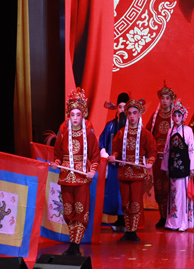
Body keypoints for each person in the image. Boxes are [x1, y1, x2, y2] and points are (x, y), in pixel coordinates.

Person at [53, 88, 100, 256]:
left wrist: (92, 171)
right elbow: (57, 154)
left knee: (80, 209)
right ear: (69, 116)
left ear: (83, 116)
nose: (74, 118)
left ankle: (75, 245)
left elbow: (95, 156)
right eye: (72, 115)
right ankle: (72, 243)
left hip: (81, 177)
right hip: (66, 177)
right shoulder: (63, 135)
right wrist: (56, 163)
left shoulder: (89, 135)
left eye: (78, 115)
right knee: (68, 211)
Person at [109, 98, 157, 242]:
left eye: (134, 113)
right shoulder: (121, 133)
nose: (131, 116)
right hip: (124, 172)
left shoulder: (145, 133)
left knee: (135, 202)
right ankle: (128, 230)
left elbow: (152, 152)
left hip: (138, 172)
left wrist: (150, 162)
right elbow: (116, 150)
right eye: (129, 113)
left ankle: (132, 231)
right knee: (125, 203)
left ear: (139, 114)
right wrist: (113, 156)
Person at [161, 100, 194, 231]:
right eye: (174, 115)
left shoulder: (188, 131)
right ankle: (172, 222)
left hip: (184, 168)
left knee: (182, 195)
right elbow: (167, 150)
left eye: (179, 115)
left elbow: (192, 149)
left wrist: (193, 167)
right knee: (173, 195)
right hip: (173, 168)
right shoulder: (170, 131)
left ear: (183, 117)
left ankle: (183, 222)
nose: (176, 118)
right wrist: (165, 167)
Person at [147, 82, 176, 228]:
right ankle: (163, 216)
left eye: (167, 98)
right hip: (158, 156)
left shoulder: (175, 116)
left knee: (172, 186)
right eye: (162, 98)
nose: (164, 101)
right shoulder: (155, 116)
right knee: (160, 187)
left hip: (172, 156)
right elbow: (148, 134)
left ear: (171, 100)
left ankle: (173, 216)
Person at [99, 92, 129, 227]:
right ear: (116, 108)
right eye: (120, 107)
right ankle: (117, 218)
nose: (122, 110)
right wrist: (105, 154)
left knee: (125, 192)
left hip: (126, 165)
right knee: (114, 192)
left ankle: (126, 219)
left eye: (124, 107)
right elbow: (102, 142)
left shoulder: (132, 126)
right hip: (112, 166)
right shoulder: (110, 126)